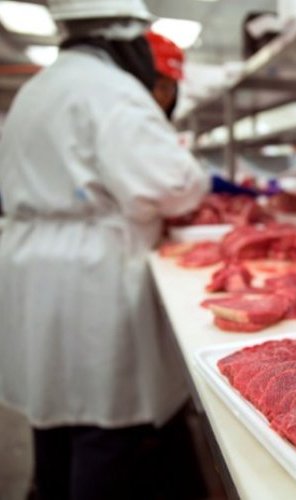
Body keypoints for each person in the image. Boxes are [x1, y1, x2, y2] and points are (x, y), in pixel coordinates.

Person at [0, 1, 210, 498]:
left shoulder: (39, 88)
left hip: (33, 261)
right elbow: (171, 184)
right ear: (123, 36)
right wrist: (197, 185)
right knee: (106, 422)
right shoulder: (111, 89)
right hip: (91, 271)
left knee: (54, 413)